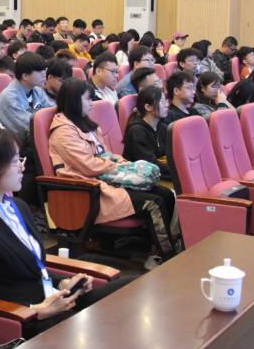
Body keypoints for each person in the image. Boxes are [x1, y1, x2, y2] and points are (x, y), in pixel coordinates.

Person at [0, 126, 127, 337]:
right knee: (101, 330)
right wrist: (35, 311)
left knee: (128, 289)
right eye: (14, 162)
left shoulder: (18, 206)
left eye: (20, 159)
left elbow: (33, 268)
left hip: (53, 299)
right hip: (25, 320)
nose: (22, 167)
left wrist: (63, 283)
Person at [48, 78, 177, 255]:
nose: (92, 103)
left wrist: (125, 164)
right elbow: (88, 166)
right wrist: (117, 167)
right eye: (88, 99)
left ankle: (150, 248)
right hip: (89, 188)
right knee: (153, 202)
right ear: (74, 101)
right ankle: (166, 255)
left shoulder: (86, 124)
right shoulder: (63, 131)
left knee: (166, 194)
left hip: (106, 178)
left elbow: (106, 154)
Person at [0, 52, 49, 136]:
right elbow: (29, 126)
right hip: (10, 139)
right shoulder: (10, 97)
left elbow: (52, 110)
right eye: (40, 71)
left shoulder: (37, 90)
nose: (44, 74)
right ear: (25, 76)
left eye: (44, 70)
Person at [122, 85, 170, 179]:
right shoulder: (137, 131)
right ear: (148, 107)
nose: (167, 105)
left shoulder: (162, 127)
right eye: (162, 102)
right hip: (139, 177)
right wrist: (177, 172)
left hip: (157, 173)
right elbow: (149, 164)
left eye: (166, 101)